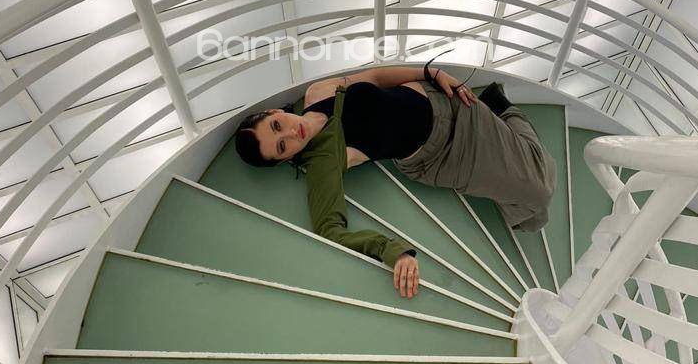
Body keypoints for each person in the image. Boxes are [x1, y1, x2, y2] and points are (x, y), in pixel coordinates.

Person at [234, 49, 557, 301]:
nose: (291, 134)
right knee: (536, 195)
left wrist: (431, 73)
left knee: (531, 176)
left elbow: (375, 77)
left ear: (275, 112)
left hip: (441, 99)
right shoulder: (323, 162)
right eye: (282, 146)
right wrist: (392, 251)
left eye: (277, 125)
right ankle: (504, 111)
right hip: (444, 154)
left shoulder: (317, 92)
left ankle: (499, 111)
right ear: (284, 159)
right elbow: (328, 229)